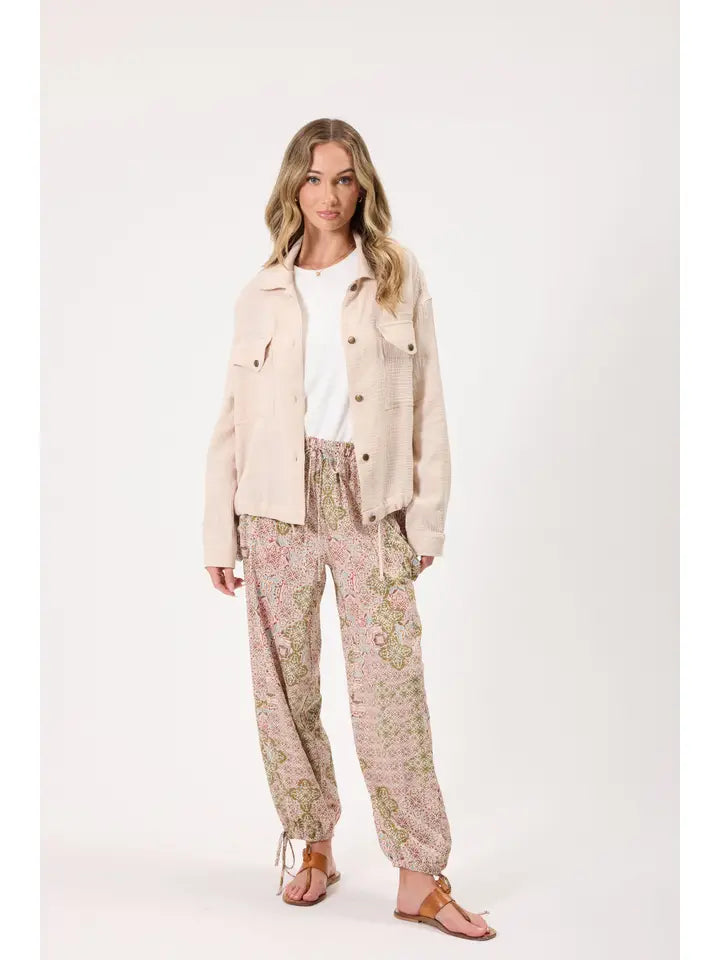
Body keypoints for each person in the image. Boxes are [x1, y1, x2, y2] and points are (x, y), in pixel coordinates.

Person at [202, 118, 496, 941]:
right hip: (273, 504)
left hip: (369, 503)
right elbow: (232, 417)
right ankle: (314, 844)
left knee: (389, 692)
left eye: (342, 178)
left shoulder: (396, 276)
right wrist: (218, 532)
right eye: (313, 177)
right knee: (284, 687)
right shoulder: (262, 291)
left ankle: (419, 877)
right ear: (291, 186)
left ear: (362, 185)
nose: (327, 195)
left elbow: (429, 404)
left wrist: (425, 520)